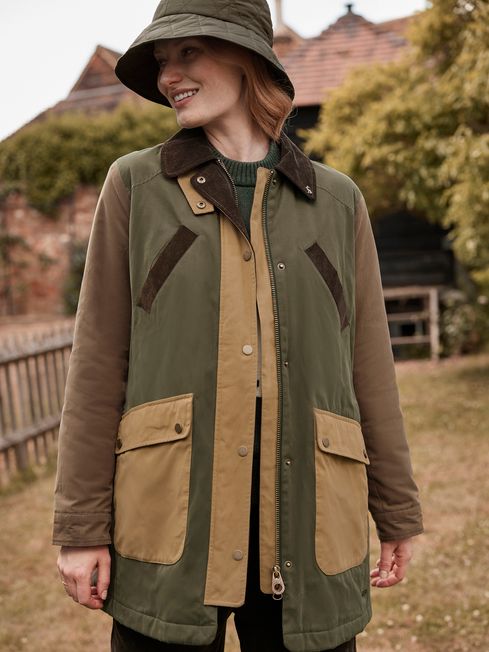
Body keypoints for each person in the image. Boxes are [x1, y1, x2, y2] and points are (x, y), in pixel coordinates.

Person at [52, 1, 424, 650]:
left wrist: (396, 510)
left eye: (188, 52)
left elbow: (368, 367)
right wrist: (81, 528)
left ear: (246, 57)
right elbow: (97, 366)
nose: (169, 76)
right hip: (170, 516)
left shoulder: (338, 202)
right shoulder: (135, 187)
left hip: (311, 518)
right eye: (162, 61)